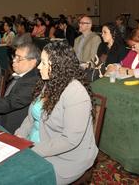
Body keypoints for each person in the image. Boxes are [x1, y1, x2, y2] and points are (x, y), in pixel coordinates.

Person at [14, 41, 98, 184]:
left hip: (66, 157)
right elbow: (32, 116)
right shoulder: (49, 82)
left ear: (60, 66)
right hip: (37, 142)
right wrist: (19, 135)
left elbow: (69, 141)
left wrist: (32, 149)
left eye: (44, 63)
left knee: (21, 178)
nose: (39, 66)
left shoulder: (76, 93)